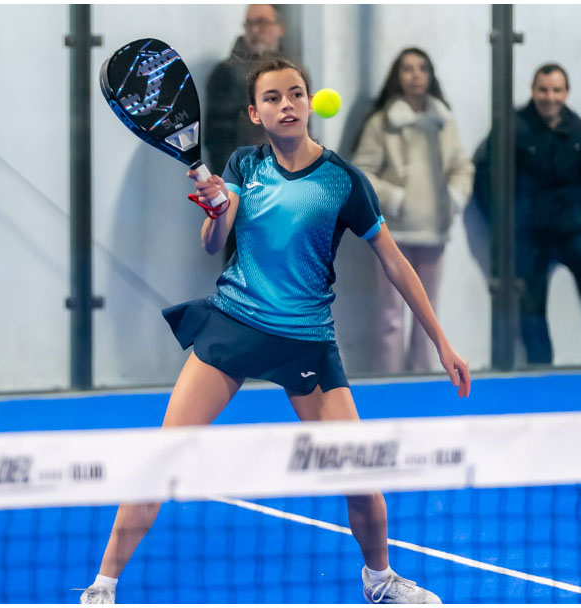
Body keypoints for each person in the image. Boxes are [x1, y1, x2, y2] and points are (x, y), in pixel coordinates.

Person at [78, 59, 470, 605]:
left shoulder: (344, 181)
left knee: (360, 478)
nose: (286, 104)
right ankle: (102, 587)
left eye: (296, 94)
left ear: (309, 102)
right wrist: (217, 206)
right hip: (234, 326)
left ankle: (380, 581)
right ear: (254, 113)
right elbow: (213, 242)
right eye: (272, 98)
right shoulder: (244, 165)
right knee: (163, 456)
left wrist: (441, 341)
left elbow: (396, 264)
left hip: (306, 341)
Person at [474, 64, 581, 366]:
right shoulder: (512, 128)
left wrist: (579, 218)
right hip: (528, 233)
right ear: (532, 90)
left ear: (566, 93)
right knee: (531, 294)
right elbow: (487, 182)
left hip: (569, 228)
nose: (550, 97)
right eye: (543, 90)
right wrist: (507, 225)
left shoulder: (579, 130)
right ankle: (540, 361)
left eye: (557, 90)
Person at [352, 48, 475, 374]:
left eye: (422, 68)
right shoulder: (382, 123)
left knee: (428, 314)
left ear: (431, 75)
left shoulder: (443, 120)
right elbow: (361, 172)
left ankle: (423, 377)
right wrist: (396, 199)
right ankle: (389, 380)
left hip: (434, 230)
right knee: (390, 314)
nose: (416, 75)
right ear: (397, 76)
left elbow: (462, 167)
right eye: (408, 68)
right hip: (393, 233)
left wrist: (451, 199)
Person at [205, 4, 285, 263]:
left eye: (262, 22)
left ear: (279, 28)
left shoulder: (292, 72)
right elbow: (218, 139)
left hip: (287, 196)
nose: (255, 29)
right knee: (243, 271)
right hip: (246, 195)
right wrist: (233, 190)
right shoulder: (227, 73)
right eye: (250, 23)